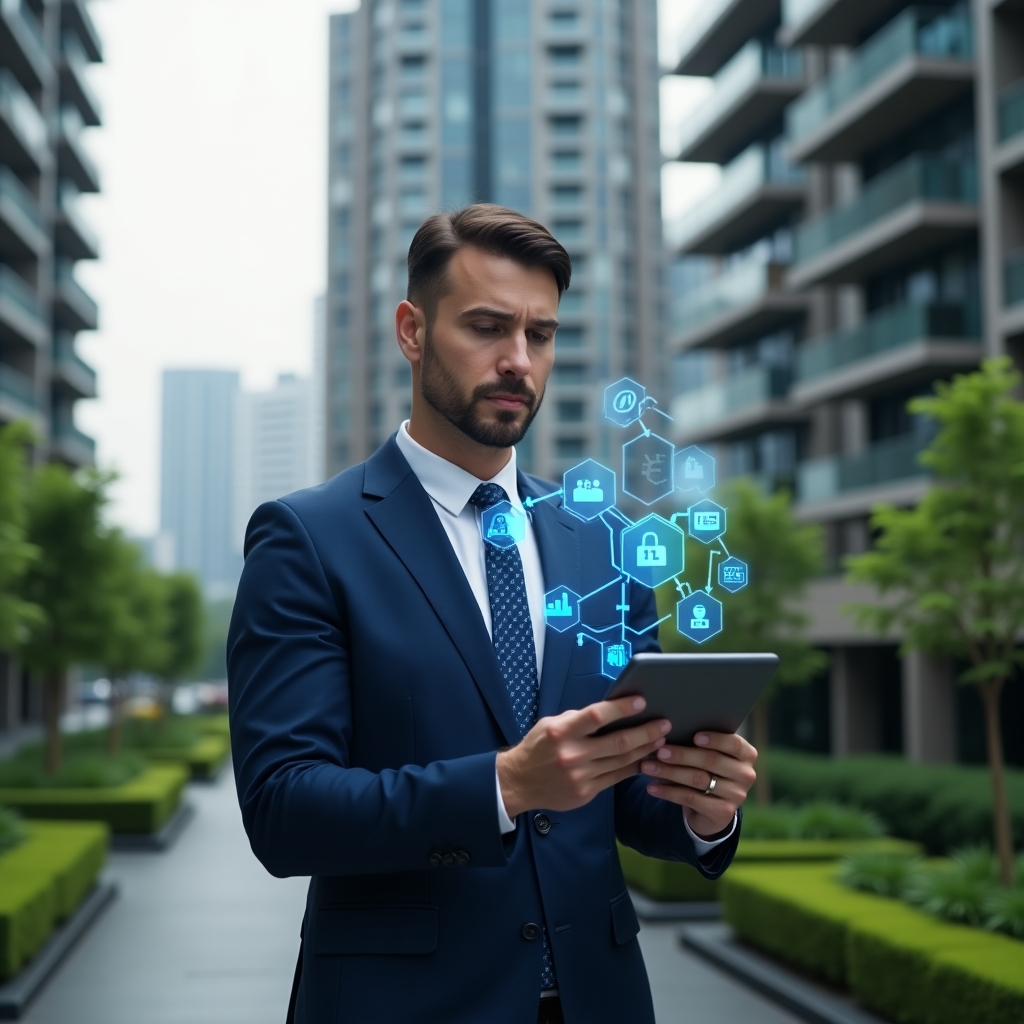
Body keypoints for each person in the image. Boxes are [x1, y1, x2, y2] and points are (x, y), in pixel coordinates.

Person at [228, 204, 757, 1024]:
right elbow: (284, 810)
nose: (518, 361)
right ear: (412, 330)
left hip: (599, 1001)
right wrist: (504, 785)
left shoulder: (604, 541)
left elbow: (624, 801)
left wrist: (701, 810)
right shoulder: (309, 538)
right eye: (486, 327)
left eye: (539, 335)